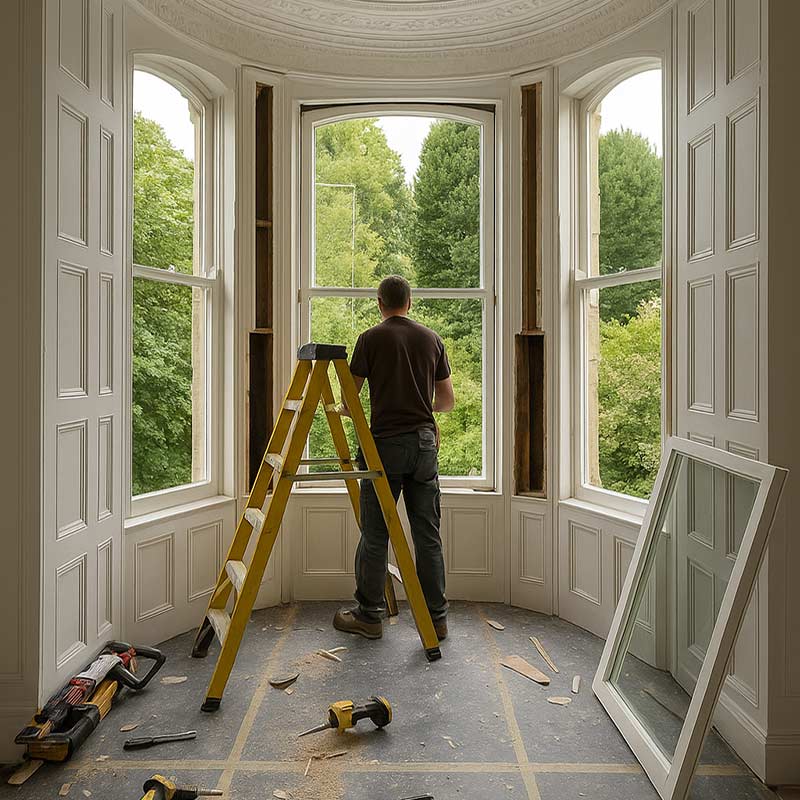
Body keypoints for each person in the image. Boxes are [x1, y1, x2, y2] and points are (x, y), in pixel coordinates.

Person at [333, 275, 455, 641]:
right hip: (423, 445)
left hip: (384, 447)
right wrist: (419, 409)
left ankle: (369, 616)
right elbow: (446, 402)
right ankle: (437, 619)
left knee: (375, 534)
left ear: (379, 303)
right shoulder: (432, 339)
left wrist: (342, 408)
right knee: (427, 534)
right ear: (410, 302)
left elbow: (351, 399)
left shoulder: (370, 339)